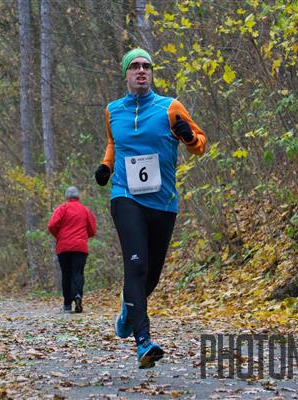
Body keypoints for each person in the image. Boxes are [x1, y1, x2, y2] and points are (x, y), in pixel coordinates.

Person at [94, 48, 207, 368]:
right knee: (136, 266)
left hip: (163, 203)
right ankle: (143, 342)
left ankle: (129, 309)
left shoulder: (170, 108)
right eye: (135, 66)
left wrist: (189, 137)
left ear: (151, 73)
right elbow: (114, 142)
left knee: (151, 278)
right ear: (126, 74)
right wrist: (106, 166)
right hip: (125, 196)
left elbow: (200, 144)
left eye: (146, 66)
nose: (141, 70)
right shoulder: (113, 110)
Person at [48, 186, 97, 313]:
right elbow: (92, 230)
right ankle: (77, 295)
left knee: (66, 274)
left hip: (63, 246)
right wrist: (83, 236)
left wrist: (59, 235)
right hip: (80, 247)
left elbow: (52, 225)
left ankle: (67, 304)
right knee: (78, 272)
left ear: (66, 196)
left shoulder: (61, 209)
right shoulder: (85, 210)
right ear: (78, 196)